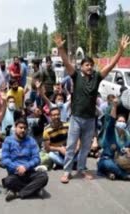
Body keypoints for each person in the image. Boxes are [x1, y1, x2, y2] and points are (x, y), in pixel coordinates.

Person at [54, 34, 130, 183]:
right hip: (76, 118)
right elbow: (66, 62)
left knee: (86, 147)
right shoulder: (76, 76)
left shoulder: (97, 77)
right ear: (82, 67)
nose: (89, 67)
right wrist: (60, 48)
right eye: (86, 65)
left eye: (91, 65)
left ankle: (81, 169)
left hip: (90, 120)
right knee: (71, 145)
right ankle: (67, 171)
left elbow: (111, 66)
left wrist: (120, 51)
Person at [1, 118, 49, 201]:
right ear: (15, 128)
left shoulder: (31, 141)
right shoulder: (8, 140)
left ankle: (17, 193)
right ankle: (35, 189)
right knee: (8, 181)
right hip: (15, 173)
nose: (23, 130)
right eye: (20, 127)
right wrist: (17, 168)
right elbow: (5, 160)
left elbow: (37, 158)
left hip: (29, 172)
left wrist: (26, 167)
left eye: (25, 128)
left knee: (44, 177)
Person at [97, 98, 130, 180]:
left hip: (119, 161)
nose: (121, 123)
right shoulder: (110, 132)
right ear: (116, 122)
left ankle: (111, 173)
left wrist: (128, 151)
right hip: (106, 160)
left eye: (123, 122)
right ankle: (124, 175)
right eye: (120, 121)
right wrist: (114, 106)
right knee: (108, 164)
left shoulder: (126, 135)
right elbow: (111, 119)